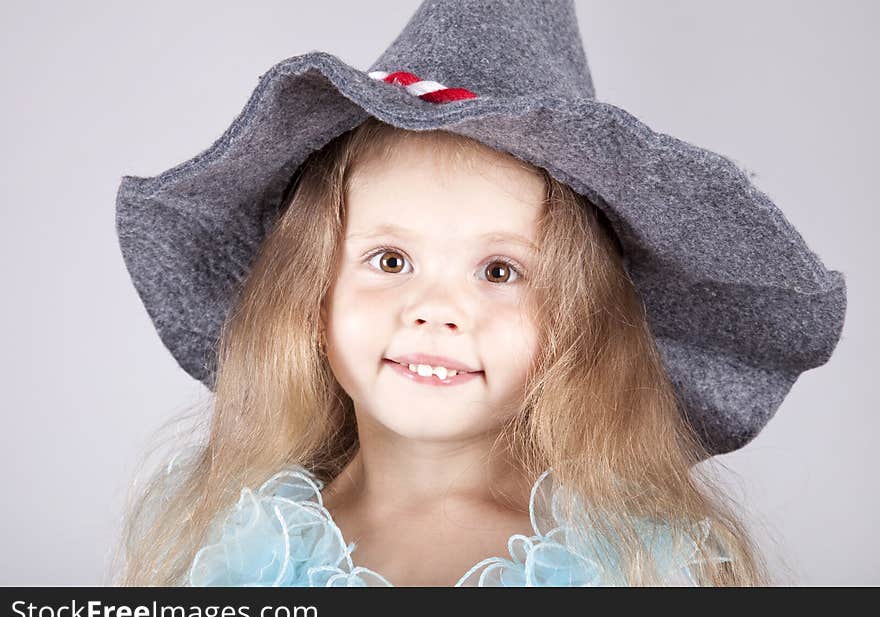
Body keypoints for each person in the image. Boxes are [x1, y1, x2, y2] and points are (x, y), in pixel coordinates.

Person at [112, 0, 846, 587]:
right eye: (390, 259)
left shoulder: (636, 568)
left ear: (577, 323)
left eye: (499, 271)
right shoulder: (228, 543)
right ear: (308, 293)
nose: (435, 309)